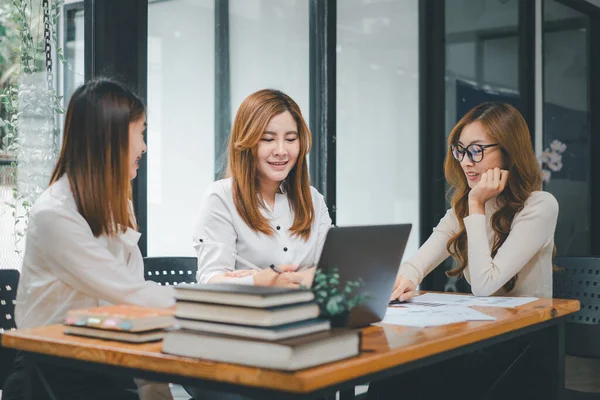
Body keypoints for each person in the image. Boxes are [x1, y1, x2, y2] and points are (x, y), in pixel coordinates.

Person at [368, 102, 559, 400]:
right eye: (460, 150)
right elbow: (417, 264)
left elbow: (485, 286)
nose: (466, 162)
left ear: (508, 151)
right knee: (393, 372)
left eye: (476, 150)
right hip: (482, 336)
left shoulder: (540, 205)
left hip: (524, 346)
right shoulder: (464, 207)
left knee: (411, 378)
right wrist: (404, 278)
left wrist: (476, 204)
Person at [2, 79, 174, 400]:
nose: (144, 147)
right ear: (112, 137)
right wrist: (211, 310)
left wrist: (158, 395)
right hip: (46, 378)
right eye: (141, 132)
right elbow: (129, 291)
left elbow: (133, 308)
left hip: (101, 367)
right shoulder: (55, 213)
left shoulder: (117, 204)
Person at [193, 88, 332, 288]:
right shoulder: (221, 197)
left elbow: (333, 269)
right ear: (246, 142)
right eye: (268, 139)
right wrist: (260, 282)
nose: (282, 151)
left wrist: (294, 280)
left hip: (307, 314)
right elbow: (211, 279)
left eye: (291, 139)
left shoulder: (313, 199)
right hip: (249, 316)